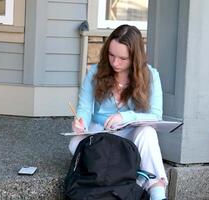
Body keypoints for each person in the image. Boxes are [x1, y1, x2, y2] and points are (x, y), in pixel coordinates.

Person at [68, 24, 167, 200]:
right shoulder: (95, 72)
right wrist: (80, 122)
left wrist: (125, 116)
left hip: (130, 134)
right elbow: (84, 108)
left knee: (148, 133)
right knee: (75, 143)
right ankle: (132, 175)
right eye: (111, 55)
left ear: (135, 58)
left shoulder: (150, 75)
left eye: (122, 58)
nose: (115, 62)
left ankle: (157, 192)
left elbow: (156, 116)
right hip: (102, 133)